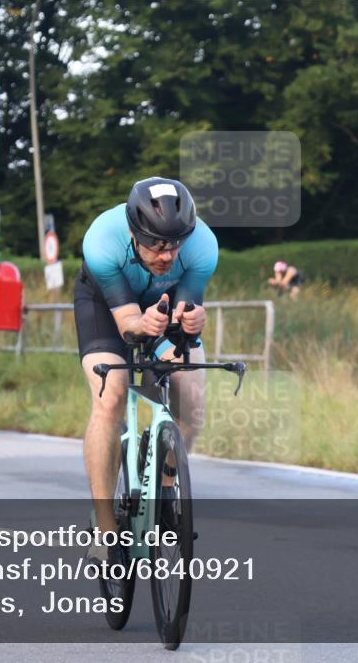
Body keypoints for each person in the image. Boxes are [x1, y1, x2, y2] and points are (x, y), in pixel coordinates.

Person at [74, 176, 218, 564]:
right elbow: (128, 324)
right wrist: (142, 325)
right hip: (106, 306)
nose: (167, 254)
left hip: (163, 305)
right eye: (156, 243)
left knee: (191, 393)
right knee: (112, 393)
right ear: (135, 232)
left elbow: (186, 310)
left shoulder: (203, 245)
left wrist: (191, 321)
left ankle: (164, 490)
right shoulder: (102, 240)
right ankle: (105, 528)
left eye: (174, 243)